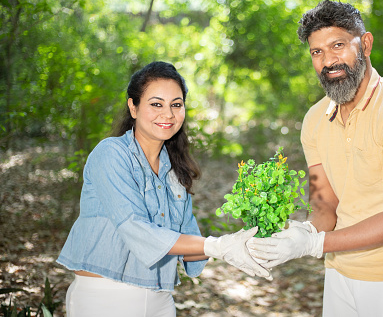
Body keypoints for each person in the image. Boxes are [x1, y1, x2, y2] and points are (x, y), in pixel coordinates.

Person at [248, 0, 383, 317]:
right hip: (339, 272)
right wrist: (302, 232)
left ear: (364, 44)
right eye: (317, 52)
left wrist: (314, 245)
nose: (329, 61)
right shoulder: (315, 119)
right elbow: (326, 206)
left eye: (338, 45)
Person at [57, 61, 270, 317]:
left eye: (176, 105)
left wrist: (247, 245)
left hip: (160, 300)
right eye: (156, 104)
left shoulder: (175, 172)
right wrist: (217, 246)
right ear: (133, 107)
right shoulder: (111, 155)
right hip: (105, 297)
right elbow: (135, 228)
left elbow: (191, 251)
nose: (168, 114)